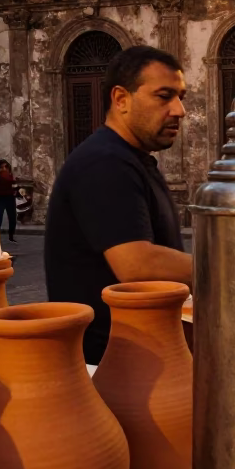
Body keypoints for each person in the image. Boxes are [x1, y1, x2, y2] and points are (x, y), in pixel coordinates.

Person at [45, 45, 191, 365]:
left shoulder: (133, 160)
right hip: (109, 371)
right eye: (164, 96)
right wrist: (233, 269)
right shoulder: (104, 163)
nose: (179, 110)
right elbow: (138, 265)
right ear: (121, 99)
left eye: (181, 97)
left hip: (141, 361)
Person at [0, 159, 19, 243]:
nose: (4, 169)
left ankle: (11, 236)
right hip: (0, 198)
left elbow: (14, 185)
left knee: (12, 218)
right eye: (1, 167)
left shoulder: (11, 176)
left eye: (6, 167)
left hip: (9, 198)